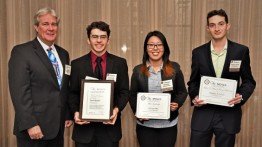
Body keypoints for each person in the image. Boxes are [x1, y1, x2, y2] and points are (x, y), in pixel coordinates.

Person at [187, 9, 256, 147]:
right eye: (212, 25)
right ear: (207, 29)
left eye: (221, 24)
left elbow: (249, 81)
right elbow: (193, 82)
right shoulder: (198, 52)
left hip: (228, 115)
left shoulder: (240, 51)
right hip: (203, 114)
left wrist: (241, 96)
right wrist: (195, 96)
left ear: (227, 26)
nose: (217, 28)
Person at [8, 7, 73, 147]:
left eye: (54, 24)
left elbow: (63, 88)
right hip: (34, 129)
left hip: (58, 128)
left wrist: (67, 114)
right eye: (45, 24)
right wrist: (30, 124)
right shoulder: (22, 52)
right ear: (36, 27)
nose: (51, 28)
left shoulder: (63, 54)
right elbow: (19, 93)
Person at [69, 21, 129, 147]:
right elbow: (72, 93)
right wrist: (75, 112)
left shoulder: (120, 63)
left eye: (103, 37)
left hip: (110, 130)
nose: (99, 41)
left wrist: (116, 110)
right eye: (95, 36)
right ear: (88, 40)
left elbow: (124, 92)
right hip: (84, 131)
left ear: (108, 40)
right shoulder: (76, 64)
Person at [129, 30, 188, 147]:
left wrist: (176, 103)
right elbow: (132, 95)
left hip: (168, 125)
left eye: (159, 44)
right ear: (146, 48)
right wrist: (137, 111)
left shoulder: (175, 68)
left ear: (164, 47)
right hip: (145, 125)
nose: (155, 48)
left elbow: (182, 92)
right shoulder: (137, 71)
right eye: (151, 45)